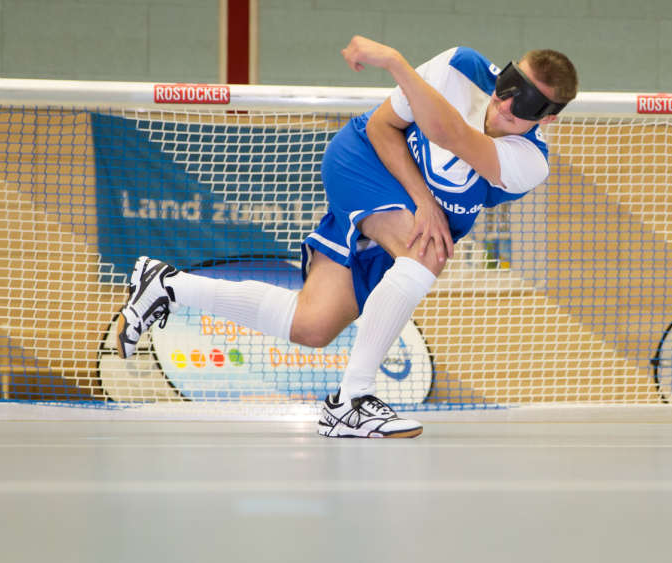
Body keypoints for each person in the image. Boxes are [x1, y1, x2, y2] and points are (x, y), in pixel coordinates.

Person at [115, 35, 579, 438]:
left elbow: (452, 135)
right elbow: (382, 126)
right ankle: (351, 402)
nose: (503, 105)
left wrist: (395, 62)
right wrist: (421, 200)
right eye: (506, 88)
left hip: (401, 217)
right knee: (427, 252)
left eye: (525, 105)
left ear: (548, 118)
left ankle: (167, 285)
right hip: (363, 161)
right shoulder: (461, 66)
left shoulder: (528, 162)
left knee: (312, 326)